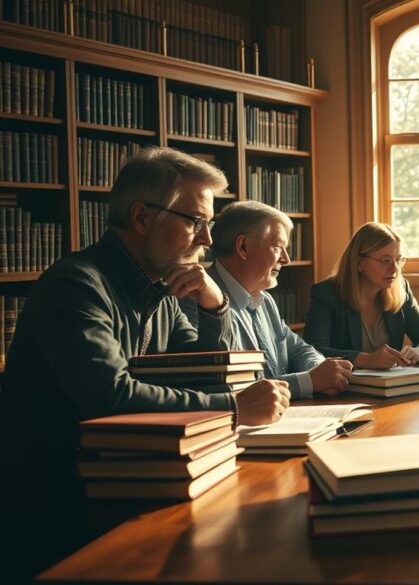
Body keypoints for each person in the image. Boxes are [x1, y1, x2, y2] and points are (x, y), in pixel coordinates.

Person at [0, 147, 290, 579]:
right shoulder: (75, 285)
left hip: (132, 476)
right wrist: (233, 408)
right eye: (196, 222)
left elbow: (199, 371)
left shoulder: (161, 288)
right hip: (61, 504)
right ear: (141, 218)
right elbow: (111, 395)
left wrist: (215, 307)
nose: (208, 240)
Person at [201, 201, 353, 398]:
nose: (286, 259)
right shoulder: (201, 300)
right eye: (278, 247)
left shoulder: (265, 300)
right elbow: (232, 389)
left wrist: (321, 370)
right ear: (243, 247)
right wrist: (310, 381)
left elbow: (299, 349)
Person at [304, 222, 419, 369]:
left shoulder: (400, 289)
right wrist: (366, 359)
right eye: (385, 261)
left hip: (391, 387)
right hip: (344, 386)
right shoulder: (326, 294)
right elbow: (313, 350)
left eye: (398, 260)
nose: (395, 269)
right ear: (358, 263)